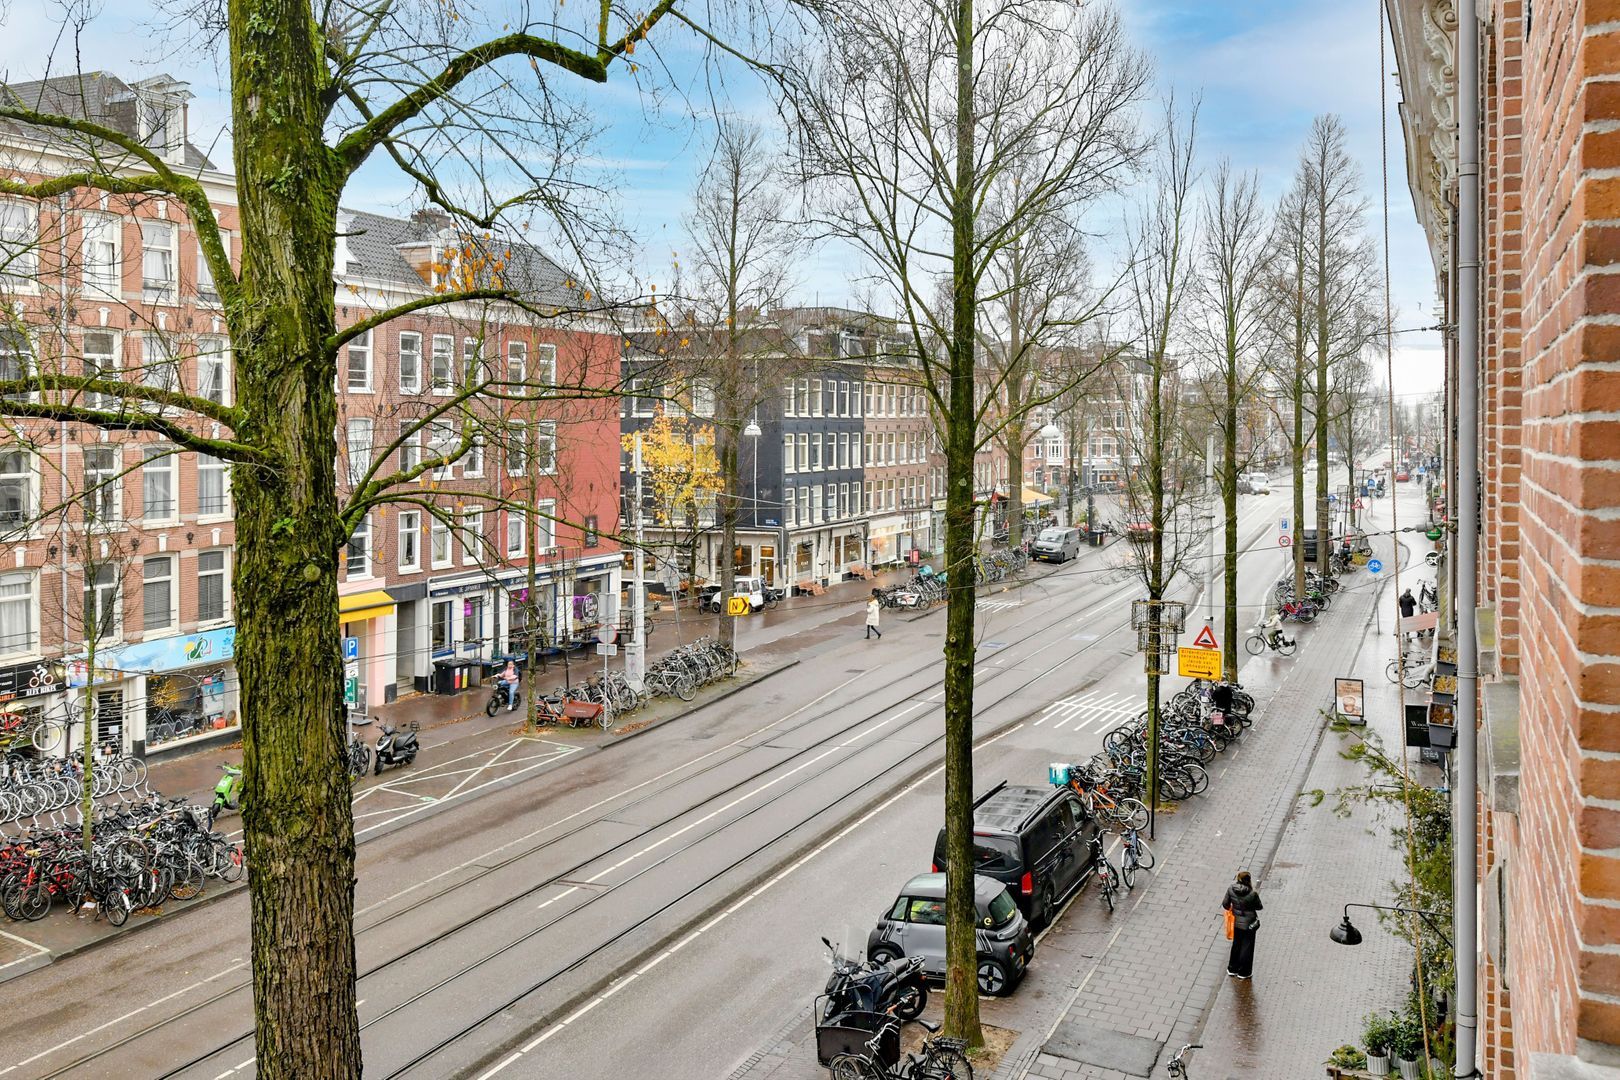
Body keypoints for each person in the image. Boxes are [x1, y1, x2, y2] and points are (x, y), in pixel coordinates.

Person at [1222, 870, 1263, 979]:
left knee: (1236, 945)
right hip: (1249, 925)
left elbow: (1225, 904)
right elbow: (1259, 907)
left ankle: (1232, 969)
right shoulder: (1252, 894)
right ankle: (1244, 972)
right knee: (1247, 948)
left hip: (1236, 923)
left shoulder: (1231, 889)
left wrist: (1234, 908)